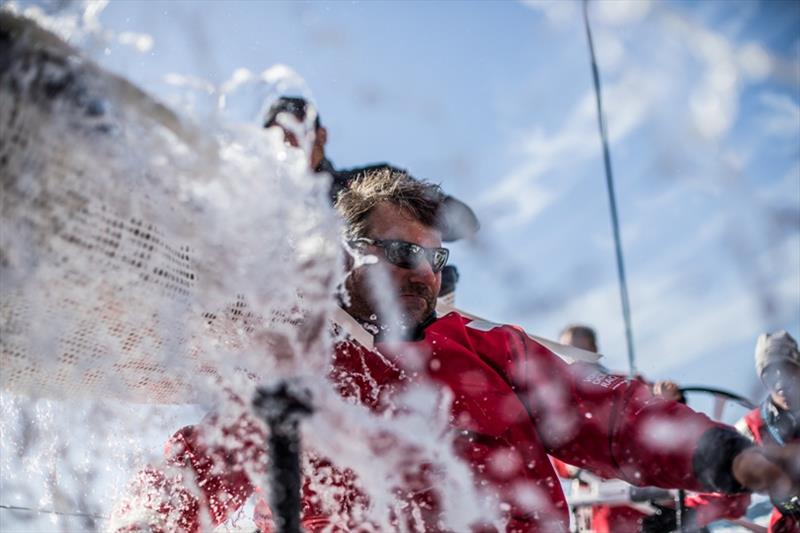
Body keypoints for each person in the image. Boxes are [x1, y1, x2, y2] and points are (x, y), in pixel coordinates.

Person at [112, 169, 799, 533]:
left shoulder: (488, 349)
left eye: (437, 259)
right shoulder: (295, 366)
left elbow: (609, 416)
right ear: (345, 254)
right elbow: (197, 466)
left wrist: (735, 457)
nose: (426, 272)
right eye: (405, 250)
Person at [263, 95, 479, 300]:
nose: (288, 142)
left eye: (296, 130)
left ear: (322, 135)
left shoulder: (375, 182)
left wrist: (408, 220)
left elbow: (466, 222)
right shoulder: (265, 206)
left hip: (385, 302)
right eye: (277, 136)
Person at [555, 325, 749, 532]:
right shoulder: (559, 406)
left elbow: (666, 420)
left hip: (655, 511)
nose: (573, 359)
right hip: (606, 517)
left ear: (593, 349)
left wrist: (672, 399)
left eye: (577, 350)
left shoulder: (627, 384)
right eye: (566, 352)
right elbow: (563, 465)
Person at [736, 330, 800, 533]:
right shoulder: (751, 428)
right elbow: (722, 475)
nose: (780, 380)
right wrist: (690, 509)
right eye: (771, 373)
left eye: (786, 368)